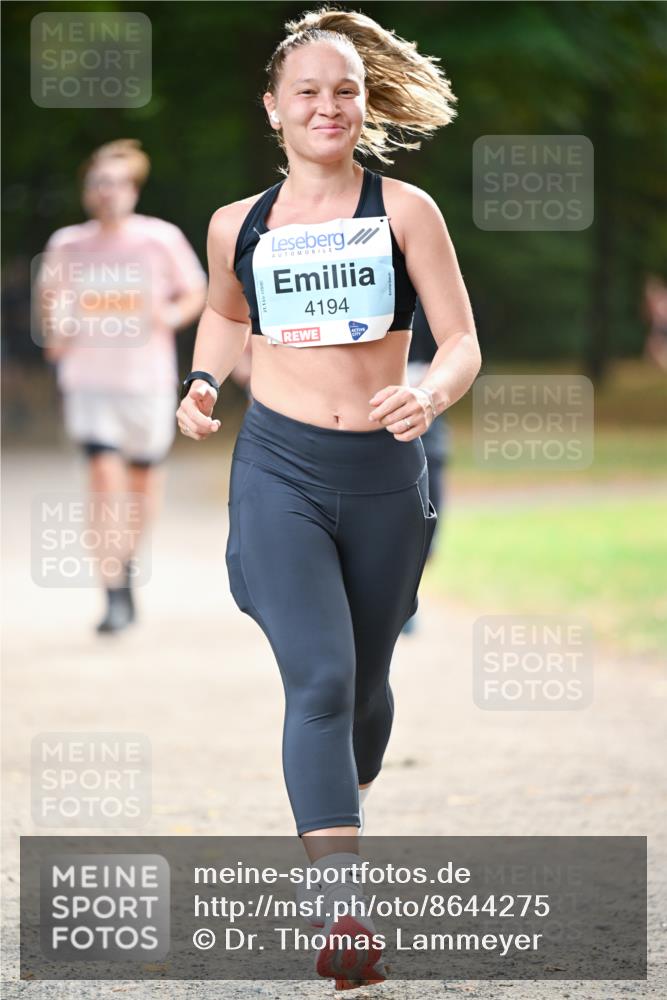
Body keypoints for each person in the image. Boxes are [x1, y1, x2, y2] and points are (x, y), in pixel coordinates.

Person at [176, 7, 479, 989]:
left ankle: (344, 801)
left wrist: (429, 394)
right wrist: (204, 380)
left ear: (363, 103)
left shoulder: (405, 212)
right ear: (273, 107)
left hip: (386, 478)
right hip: (279, 471)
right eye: (305, 91)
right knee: (319, 679)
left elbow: (460, 341)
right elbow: (223, 314)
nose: (327, 106)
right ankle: (341, 907)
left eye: (344, 89)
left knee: (365, 689)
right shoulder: (239, 224)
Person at [39, 140, 207, 634]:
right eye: (98, 184)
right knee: (103, 479)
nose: (106, 192)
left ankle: (126, 561)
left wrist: (168, 315)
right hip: (90, 382)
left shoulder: (160, 239)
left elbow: (195, 290)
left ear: (132, 190)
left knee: (141, 488)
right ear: (87, 192)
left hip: (147, 383)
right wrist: (56, 329)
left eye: (115, 184)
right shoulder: (67, 244)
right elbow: (49, 303)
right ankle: (111, 591)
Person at [401, 297, 451, 634]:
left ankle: (407, 590)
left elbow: (457, 343)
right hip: (370, 402)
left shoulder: (434, 296)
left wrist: (429, 388)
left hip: (424, 400)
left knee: (429, 507)